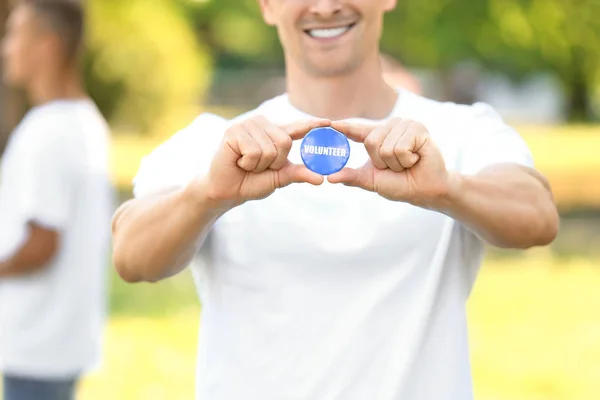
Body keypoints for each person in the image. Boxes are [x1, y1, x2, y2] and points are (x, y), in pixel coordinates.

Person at [112, 1, 559, 399]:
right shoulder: (213, 144)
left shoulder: (462, 132)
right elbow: (131, 256)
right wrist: (207, 197)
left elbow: (537, 217)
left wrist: (449, 190)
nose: (324, 7)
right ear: (267, 5)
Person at [0, 1, 113, 399]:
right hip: (63, 342)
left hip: (34, 344)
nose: (5, 48)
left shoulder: (46, 132)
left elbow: (42, 244)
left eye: (14, 34)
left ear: (46, 46)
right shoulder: (86, 121)